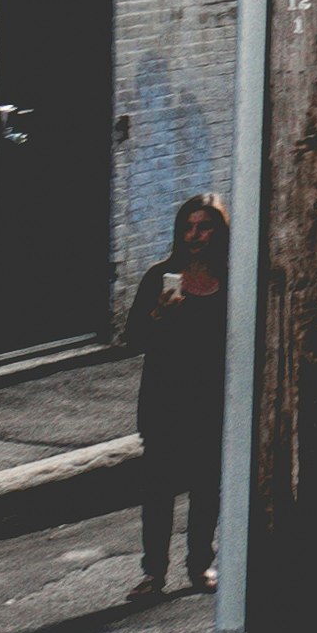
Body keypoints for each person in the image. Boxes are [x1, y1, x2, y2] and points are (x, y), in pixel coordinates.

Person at [119, 196, 233, 602]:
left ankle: (200, 563)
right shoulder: (160, 277)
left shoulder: (233, 280)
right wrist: (158, 315)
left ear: (219, 232)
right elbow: (133, 340)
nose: (194, 235)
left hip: (213, 399)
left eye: (204, 227)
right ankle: (153, 573)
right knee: (158, 490)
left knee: (207, 487)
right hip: (166, 398)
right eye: (188, 227)